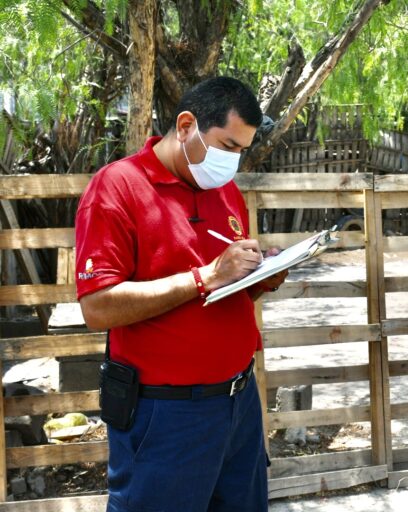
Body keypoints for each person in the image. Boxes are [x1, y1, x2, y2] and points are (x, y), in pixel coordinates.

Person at [75, 76, 285, 512]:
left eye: (241, 151)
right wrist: (203, 277)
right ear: (186, 125)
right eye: (227, 146)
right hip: (165, 416)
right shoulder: (117, 187)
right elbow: (97, 307)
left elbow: (222, 293)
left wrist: (259, 277)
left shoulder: (223, 189)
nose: (233, 162)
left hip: (238, 404)